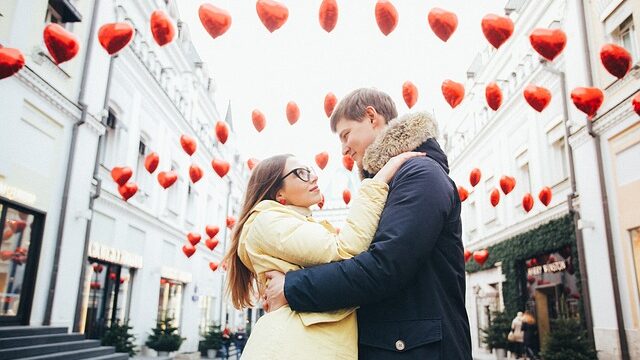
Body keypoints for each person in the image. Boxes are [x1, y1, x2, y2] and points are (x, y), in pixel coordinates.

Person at [264, 88, 472, 359]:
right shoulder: (393, 182)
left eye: (346, 135)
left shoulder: (419, 173)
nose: (344, 149)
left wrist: (292, 287)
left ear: (371, 117)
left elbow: (385, 266)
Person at [223, 151, 424, 359]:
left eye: (310, 170)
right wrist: (378, 181)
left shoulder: (288, 223)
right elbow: (346, 249)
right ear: (278, 194)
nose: (314, 176)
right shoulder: (268, 222)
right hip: (294, 346)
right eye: (300, 173)